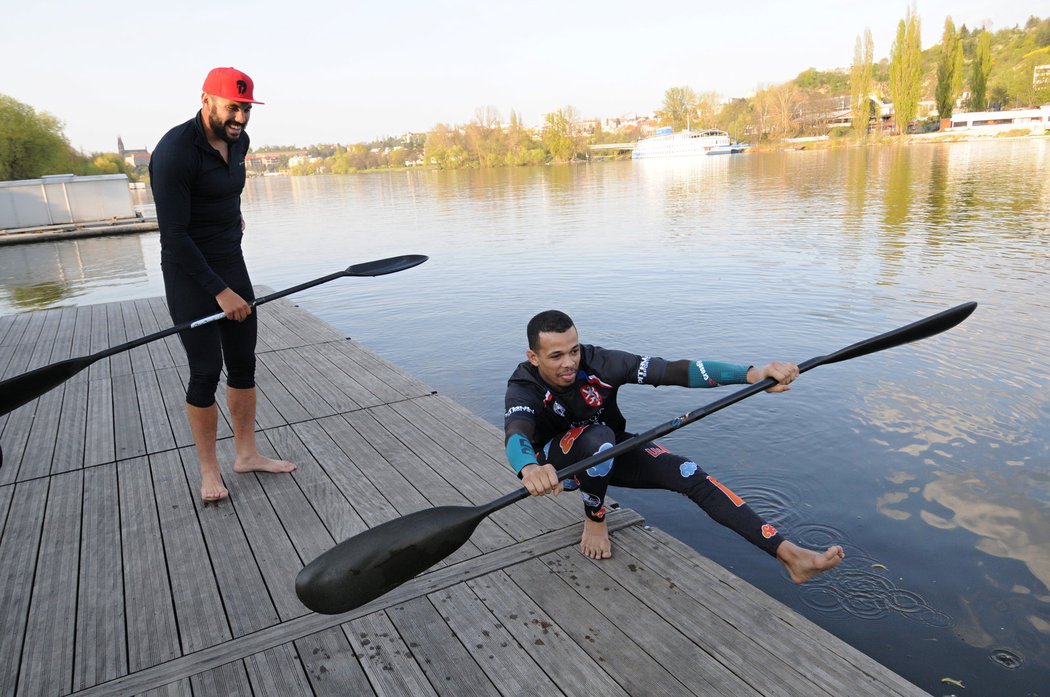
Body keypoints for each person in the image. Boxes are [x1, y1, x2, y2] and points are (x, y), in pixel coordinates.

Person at [503, 309, 843, 583]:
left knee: (689, 474)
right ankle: (595, 517)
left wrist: (753, 374)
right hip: (555, 465)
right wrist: (529, 467)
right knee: (599, 438)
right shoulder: (523, 385)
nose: (570, 363)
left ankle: (788, 554)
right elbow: (517, 431)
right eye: (556, 355)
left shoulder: (601, 362)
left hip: (606, 449)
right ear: (533, 356)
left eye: (574, 350)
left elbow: (675, 371)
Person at [150, 66, 295, 502]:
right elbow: (174, 236)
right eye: (233, 108)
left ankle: (246, 454)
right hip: (189, 274)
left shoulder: (239, 141)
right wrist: (220, 291)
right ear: (206, 99)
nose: (241, 118)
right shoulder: (175, 151)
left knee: (243, 362)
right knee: (205, 371)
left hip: (232, 261)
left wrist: (234, 219)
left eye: (247, 109)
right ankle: (209, 470)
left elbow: (225, 194)